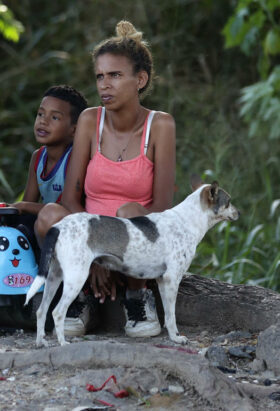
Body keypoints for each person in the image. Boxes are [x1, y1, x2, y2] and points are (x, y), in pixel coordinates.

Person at [34, 20, 176, 338]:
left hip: (138, 240)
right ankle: (80, 295)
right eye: (100, 76)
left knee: (131, 212)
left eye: (114, 75)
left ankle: (137, 298)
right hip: (90, 236)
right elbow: (71, 198)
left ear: (140, 79)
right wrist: (94, 254)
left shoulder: (161, 126)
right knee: (50, 216)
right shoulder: (89, 120)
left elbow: (162, 209)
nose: (104, 85)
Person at [12, 85, 88, 216]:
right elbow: (26, 209)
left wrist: (23, 206)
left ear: (75, 130)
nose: (43, 121)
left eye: (55, 117)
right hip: (44, 225)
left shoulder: (74, 158)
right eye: (41, 114)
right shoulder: (38, 158)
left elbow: (66, 208)